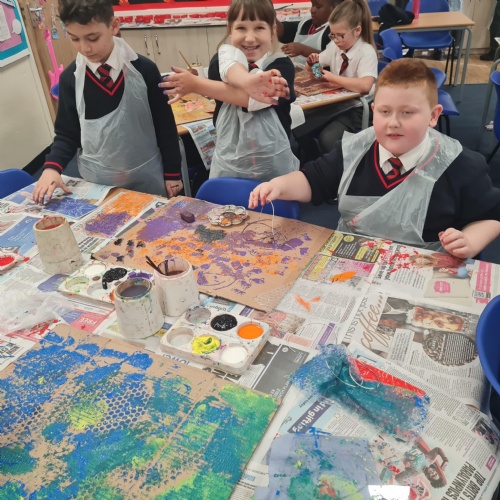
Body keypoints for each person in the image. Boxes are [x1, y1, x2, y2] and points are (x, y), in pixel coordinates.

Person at [249, 58, 500, 258]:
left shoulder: (460, 165)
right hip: (355, 262)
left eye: (407, 113)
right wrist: (280, 185)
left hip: (422, 272)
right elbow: (314, 181)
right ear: (373, 110)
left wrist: (469, 241)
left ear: (433, 116)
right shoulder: (354, 150)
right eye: (384, 111)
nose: (393, 123)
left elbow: (491, 215)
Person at [33, 0, 183, 204]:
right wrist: (52, 168)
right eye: (75, 38)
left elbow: (164, 125)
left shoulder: (144, 70)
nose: (85, 48)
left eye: (93, 38)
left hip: (147, 176)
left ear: (113, 26)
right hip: (100, 184)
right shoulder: (71, 79)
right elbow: (67, 134)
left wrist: (172, 172)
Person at [160, 0, 298, 182]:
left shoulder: (281, 66)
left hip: (274, 166)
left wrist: (197, 84)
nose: (250, 38)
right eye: (241, 28)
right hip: (229, 164)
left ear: (272, 31)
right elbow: (229, 66)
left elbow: (254, 100)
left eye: (259, 28)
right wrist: (248, 81)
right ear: (230, 30)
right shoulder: (220, 61)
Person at [295, 0, 378, 156]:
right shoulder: (335, 47)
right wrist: (311, 65)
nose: (336, 40)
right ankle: (317, 161)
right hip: (339, 103)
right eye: (333, 35)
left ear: (357, 30)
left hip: (359, 107)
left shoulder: (366, 52)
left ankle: (336, 165)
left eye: (341, 35)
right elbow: (316, 67)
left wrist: (332, 78)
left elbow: (365, 86)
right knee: (298, 126)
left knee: (328, 138)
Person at [276, 0, 345, 68]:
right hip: (298, 68)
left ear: (335, 8)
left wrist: (303, 50)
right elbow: (285, 31)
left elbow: (331, 58)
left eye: (318, 7)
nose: (312, 10)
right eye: (312, 5)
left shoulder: (335, 31)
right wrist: (272, 17)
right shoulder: (307, 21)